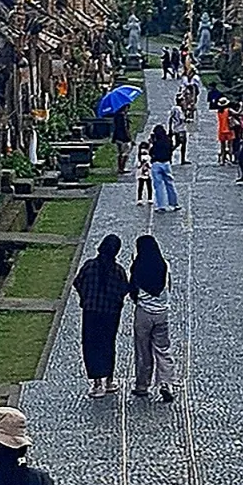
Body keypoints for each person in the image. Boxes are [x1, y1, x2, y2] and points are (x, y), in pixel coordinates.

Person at [72, 234, 128, 395]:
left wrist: (85, 298)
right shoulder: (118, 270)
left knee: (91, 345)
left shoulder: (89, 266)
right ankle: (109, 380)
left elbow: (77, 282)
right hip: (110, 314)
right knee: (108, 344)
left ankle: (97, 383)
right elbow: (124, 289)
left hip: (91, 312)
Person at [128, 235, 175, 402]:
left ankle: (142, 385)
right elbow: (169, 286)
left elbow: (132, 291)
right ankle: (166, 383)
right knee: (163, 349)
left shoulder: (138, 267)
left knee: (143, 350)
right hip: (162, 314)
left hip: (143, 314)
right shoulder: (164, 265)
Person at [149, 123, 180, 211]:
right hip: (166, 163)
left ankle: (161, 205)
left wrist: (152, 143)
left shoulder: (156, 142)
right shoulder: (168, 141)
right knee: (170, 184)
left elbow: (151, 152)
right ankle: (174, 203)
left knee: (158, 185)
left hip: (156, 164)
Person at [111, 103, 131, 174]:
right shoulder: (122, 117)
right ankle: (122, 167)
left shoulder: (116, 116)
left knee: (120, 152)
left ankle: (120, 168)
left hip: (117, 136)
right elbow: (125, 128)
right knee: (125, 152)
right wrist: (129, 137)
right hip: (123, 137)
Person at [167, 96, 188, 165]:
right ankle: (182, 159)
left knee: (177, 143)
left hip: (175, 128)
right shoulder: (180, 110)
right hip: (181, 129)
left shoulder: (173, 109)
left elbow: (170, 119)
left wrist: (170, 128)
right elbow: (182, 119)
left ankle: (169, 156)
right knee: (182, 144)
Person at [134, 136, 153, 204]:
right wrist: (140, 163)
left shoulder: (149, 156)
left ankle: (150, 198)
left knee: (149, 186)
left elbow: (151, 164)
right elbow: (137, 164)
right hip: (140, 173)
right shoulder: (139, 157)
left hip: (148, 173)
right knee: (140, 187)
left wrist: (148, 164)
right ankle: (139, 199)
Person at [216, 98, 234, 164]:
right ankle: (231, 159)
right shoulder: (228, 110)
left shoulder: (219, 111)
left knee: (222, 146)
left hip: (221, 130)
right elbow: (238, 113)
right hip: (229, 129)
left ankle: (222, 160)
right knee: (230, 145)